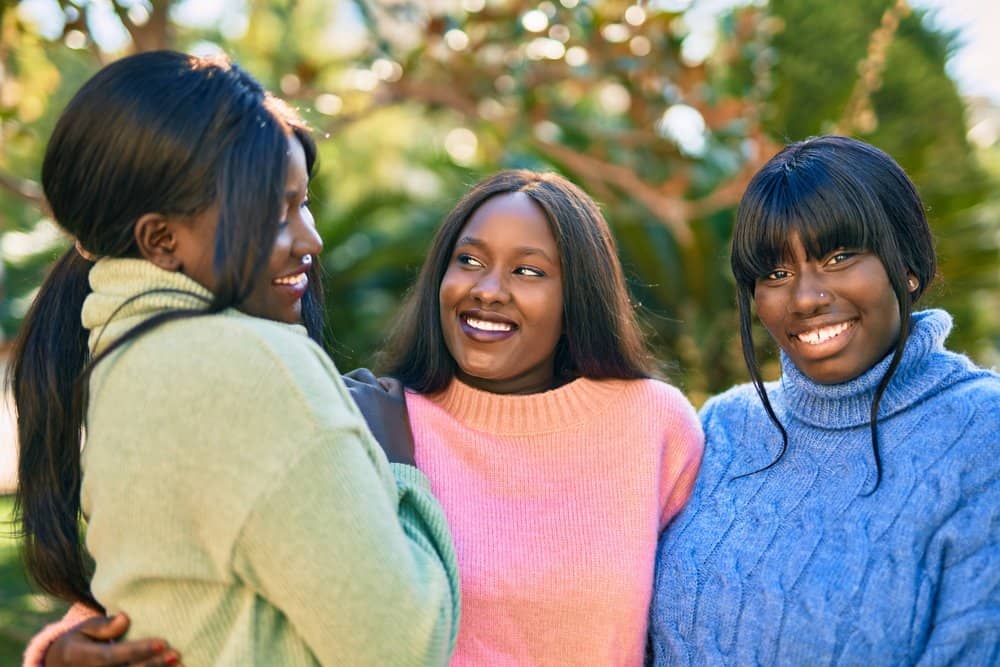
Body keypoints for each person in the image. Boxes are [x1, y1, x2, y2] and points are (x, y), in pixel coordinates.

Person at [31, 170, 704, 667]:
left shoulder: (652, 425)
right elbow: (181, 568)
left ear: (577, 294)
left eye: (528, 270)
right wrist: (58, 652)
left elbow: (701, 614)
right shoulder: (368, 421)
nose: (487, 288)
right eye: (467, 259)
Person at [12, 50, 458, 667]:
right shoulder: (251, 365)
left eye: (304, 203)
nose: (312, 239)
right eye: (275, 213)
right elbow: (403, 647)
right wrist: (400, 471)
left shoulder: (120, 357)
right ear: (162, 241)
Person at [649, 135, 1000, 665]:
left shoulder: (982, 433)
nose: (806, 297)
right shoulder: (723, 425)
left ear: (906, 264)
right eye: (777, 273)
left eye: (838, 257)